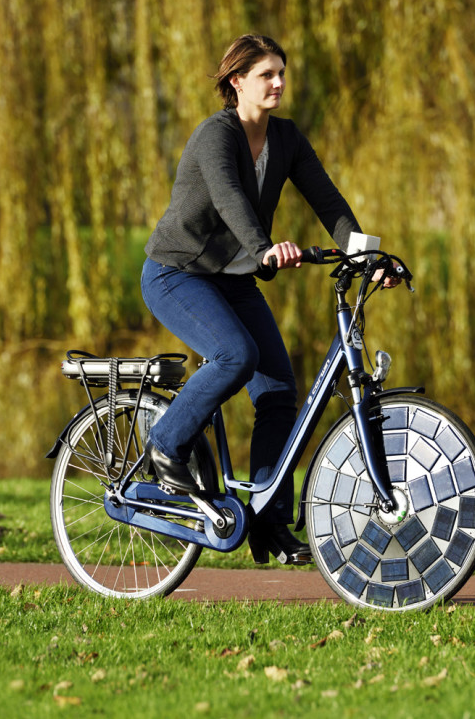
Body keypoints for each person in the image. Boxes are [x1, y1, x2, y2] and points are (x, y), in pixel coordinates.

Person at [141, 34, 395, 566]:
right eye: (266, 75)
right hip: (177, 273)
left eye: (282, 72)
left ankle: (268, 520)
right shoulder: (216, 135)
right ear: (237, 83)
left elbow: (327, 199)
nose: (278, 83)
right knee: (237, 356)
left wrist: (370, 254)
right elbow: (231, 200)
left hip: (235, 281)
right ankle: (165, 444)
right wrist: (264, 249)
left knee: (280, 393)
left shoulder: (286, 139)